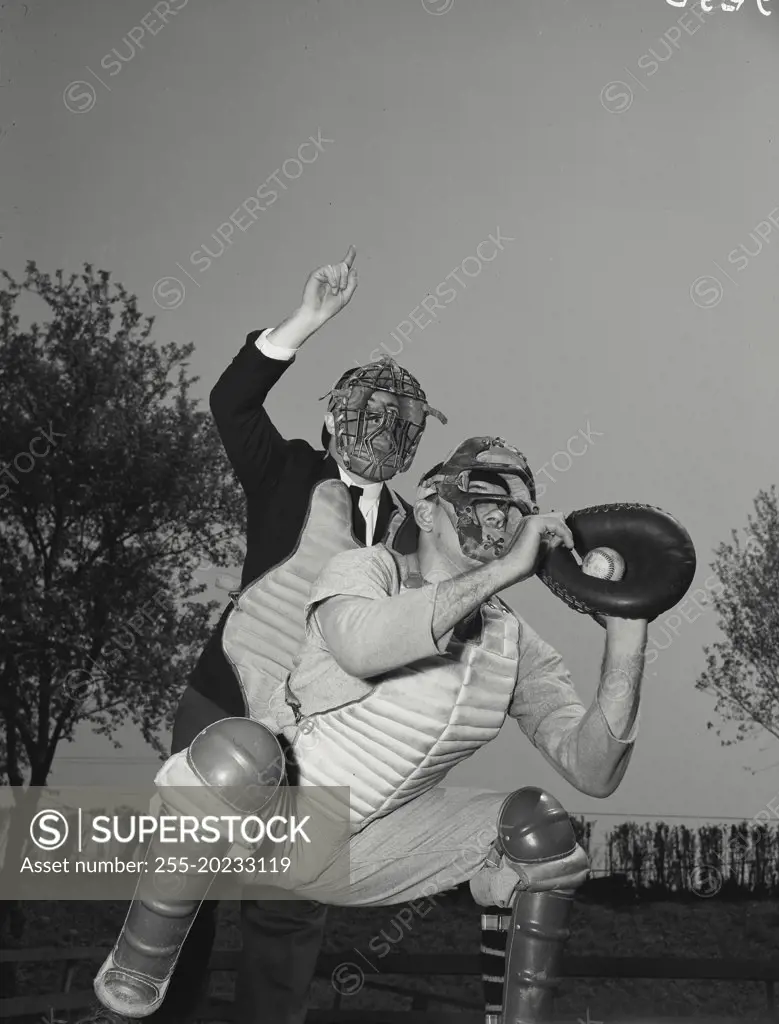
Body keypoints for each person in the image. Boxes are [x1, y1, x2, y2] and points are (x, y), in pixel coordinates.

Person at [97, 437, 648, 1022]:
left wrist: (627, 627)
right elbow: (363, 647)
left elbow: (594, 770)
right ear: (428, 509)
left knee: (540, 828)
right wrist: (510, 570)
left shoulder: (513, 642)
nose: (503, 515)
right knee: (240, 749)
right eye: (486, 495)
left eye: (517, 505)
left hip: (376, 850)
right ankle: (134, 975)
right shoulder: (367, 568)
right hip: (278, 822)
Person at [86, 247, 447, 1024]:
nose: (378, 423)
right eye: (362, 408)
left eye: (396, 418)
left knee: (289, 915)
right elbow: (231, 403)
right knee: (184, 891)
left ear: (413, 439)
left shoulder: (419, 535)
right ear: (329, 417)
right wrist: (309, 317)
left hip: (320, 745)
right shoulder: (284, 471)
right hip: (223, 708)